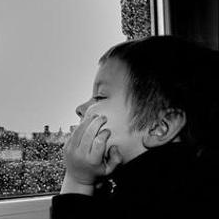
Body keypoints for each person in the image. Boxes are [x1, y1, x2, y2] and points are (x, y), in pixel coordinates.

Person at [50, 36, 219, 219]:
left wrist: (78, 181)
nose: (80, 109)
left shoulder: (160, 196)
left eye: (100, 97)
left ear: (159, 127)